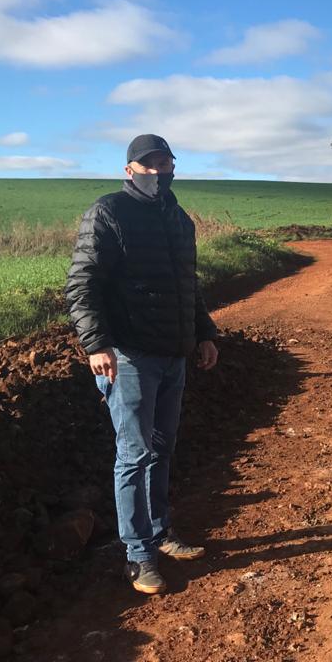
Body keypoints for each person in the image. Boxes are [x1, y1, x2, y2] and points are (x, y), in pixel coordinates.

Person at [65, 133, 219, 595]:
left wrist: (205, 332)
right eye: (147, 165)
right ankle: (137, 556)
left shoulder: (178, 219)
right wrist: (96, 344)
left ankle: (159, 532)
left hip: (173, 355)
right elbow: (81, 284)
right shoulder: (108, 212)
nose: (157, 172)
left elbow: (184, 284)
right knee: (134, 456)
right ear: (129, 170)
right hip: (128, 357)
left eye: (164, 163)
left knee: (162, 448)